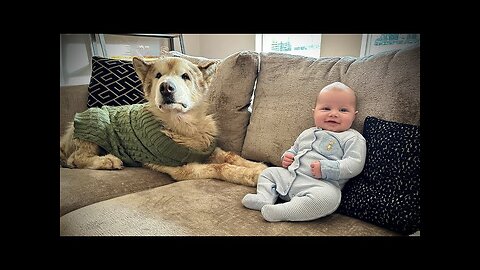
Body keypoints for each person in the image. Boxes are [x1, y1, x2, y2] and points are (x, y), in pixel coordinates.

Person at [242, 82, 367, 222]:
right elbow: (294, 149)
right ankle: (264, 198)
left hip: (320, 185)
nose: (334, 114)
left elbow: (355, 163)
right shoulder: (307, 133)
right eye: (326, 108)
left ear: (354, 116)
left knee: (330, 197)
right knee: (268, 172)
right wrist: (287, 156)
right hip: (290, 177)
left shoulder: (352, 138)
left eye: (343, 110)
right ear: (314, 112)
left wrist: (327, 169)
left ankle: (285, 211)